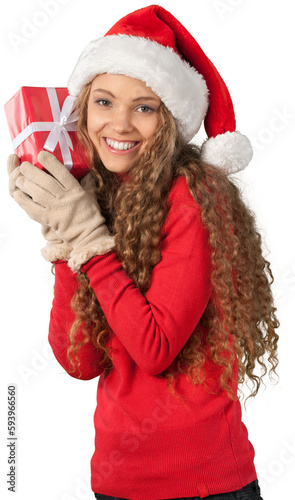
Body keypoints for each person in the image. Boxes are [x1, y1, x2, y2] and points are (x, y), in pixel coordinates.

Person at [7, 5, 279, 500]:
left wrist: (88, 242)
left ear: (171, 119)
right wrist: (65, 237)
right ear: (83, 109)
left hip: (203, 486)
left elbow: (154, 349)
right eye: (105, 102)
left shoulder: (196, 198)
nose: (121, 123)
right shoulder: (97, 200)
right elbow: (81, 361)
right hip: (115, 483)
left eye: (145, 107)